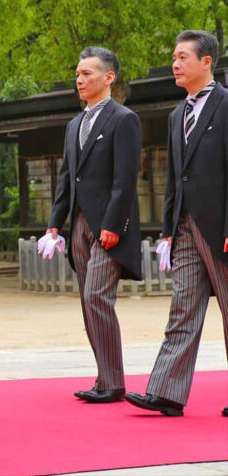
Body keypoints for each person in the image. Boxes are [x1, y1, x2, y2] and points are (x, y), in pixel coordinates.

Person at [125, 30, 228, 417]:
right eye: (173, 57)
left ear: (206, 62)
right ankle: (166, 391)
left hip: (220, 226)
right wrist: (168, 229)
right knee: (182, 308)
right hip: (185, 227)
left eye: (183, 57)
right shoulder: (175, 115)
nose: (175, 63)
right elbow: (174, 177)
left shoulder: (226, 105)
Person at [46, 46, 142, 404]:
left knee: (97, 296)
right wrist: (55, 225)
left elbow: (125, 178)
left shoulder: (123, 119)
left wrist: (114, 223)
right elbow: (66, 177)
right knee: (88, 303)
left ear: (108, 78)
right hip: (78, 225)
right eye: (77, 73)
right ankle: (105, 378)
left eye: (87, 73)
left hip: (108, 225)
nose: (79, 79)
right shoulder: (74, 125)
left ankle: (114, 382)